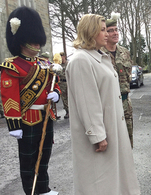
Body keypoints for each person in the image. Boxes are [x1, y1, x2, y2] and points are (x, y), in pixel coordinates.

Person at [66, 14, 140, 195]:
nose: (106, 33)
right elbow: (87, 102)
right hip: (101, 135)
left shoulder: (98, 56)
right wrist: (97, 135)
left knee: (113, 179)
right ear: (90, 31)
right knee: (99, 181)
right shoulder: (81, 60)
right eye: (102, 29)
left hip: (112, 127)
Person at [0, 6, 60, 195]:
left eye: (37, 42)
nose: (37, 45)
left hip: (45, 116)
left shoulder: (45, 64)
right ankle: (32, 191)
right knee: (29, 160)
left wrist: (56, 94)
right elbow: (9, 97)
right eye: (33, 42)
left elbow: (54, 84)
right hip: (27, 118)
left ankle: (44, 188)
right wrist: (14, 124)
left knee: (44, 155)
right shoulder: (12, 66)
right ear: (21, 42)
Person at [101, 12, 135, 148]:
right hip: (108, 105)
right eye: (110, 31)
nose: (115, 33)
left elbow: (128, 77)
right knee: (111, 144)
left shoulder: (125, 52)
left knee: (127, 141)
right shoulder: (99, 54)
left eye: (116, 30)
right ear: (104, 34)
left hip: (125, 103)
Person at [57, 52, 69, 119]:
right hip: (62, 83)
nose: (61, 57)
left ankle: (73, 111)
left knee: (70, 98)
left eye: (61, 56)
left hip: (69, 82)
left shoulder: (68, 64)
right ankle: (67, 111)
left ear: (64, 56)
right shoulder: (59, 65)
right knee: (64, 98)